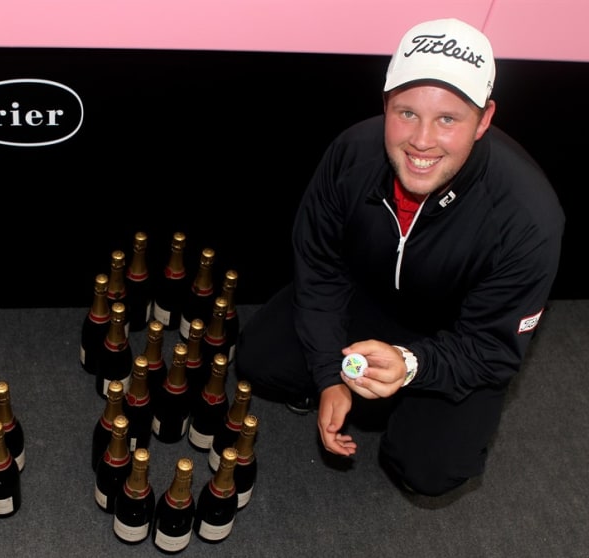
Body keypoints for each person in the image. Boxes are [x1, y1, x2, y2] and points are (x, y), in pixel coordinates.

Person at [234, 17, 565, 497]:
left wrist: (412, 365)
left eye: (448, 119)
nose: (422, 141)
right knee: (259, 358)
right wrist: (330, 375)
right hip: (371, 299)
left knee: (428, 468)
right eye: (406, 113)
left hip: (458, 335)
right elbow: (320, 269)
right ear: (386, 103)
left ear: (485, 120)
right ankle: (365, 391)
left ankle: (395, 407)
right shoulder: (351, 153)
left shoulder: (528, 218)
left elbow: (492, 350)